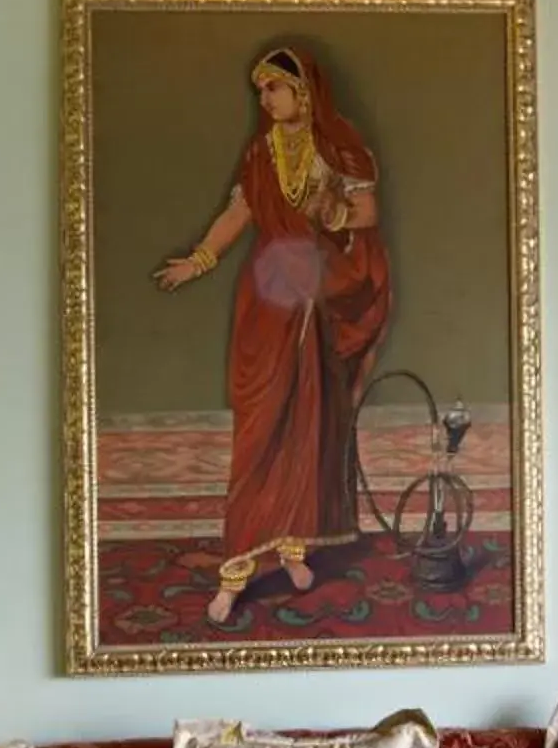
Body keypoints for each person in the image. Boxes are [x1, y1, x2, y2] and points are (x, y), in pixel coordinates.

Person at [153, 46, 391, 625]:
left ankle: (291, 545)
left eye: (273, 89)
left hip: (311, 295)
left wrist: (328, 212)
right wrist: (199, 260)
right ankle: (238, 565)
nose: (264, 100)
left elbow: (365, 213)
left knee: (304, 421)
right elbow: (239, 215)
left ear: (302, 93)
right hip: (265, 299)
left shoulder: (336, 149)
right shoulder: (260, 153)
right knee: (259, 427)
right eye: (260, 92)